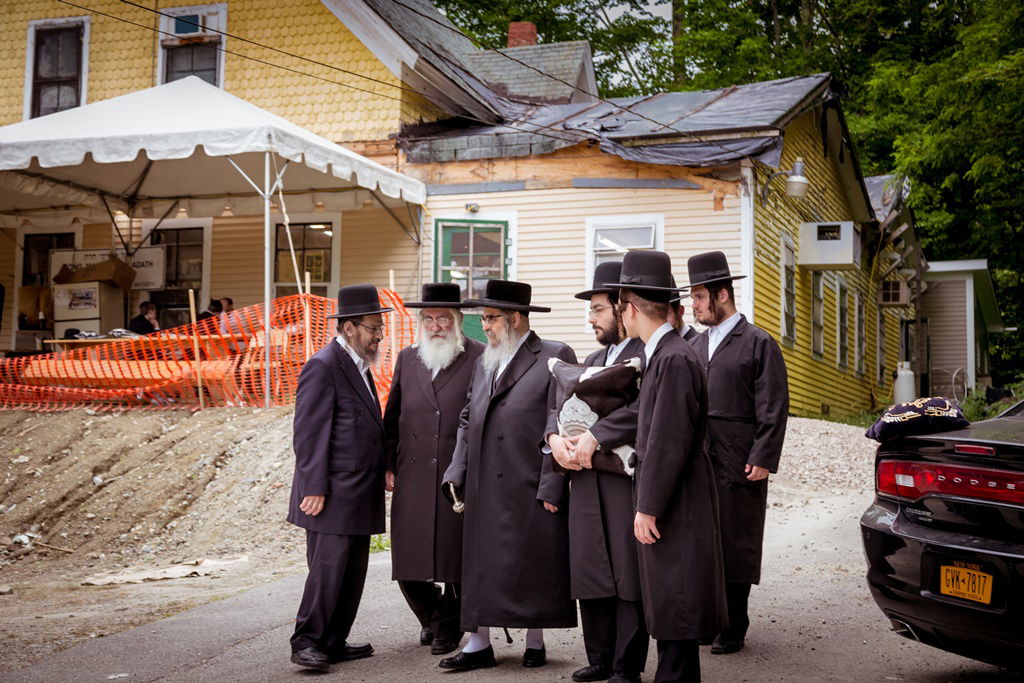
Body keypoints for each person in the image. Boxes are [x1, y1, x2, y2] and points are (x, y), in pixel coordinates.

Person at [440, 279, 577, 672]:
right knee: (482, 564)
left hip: (529, 478)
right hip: (485, 481)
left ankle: (536, 640)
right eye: (482, 318)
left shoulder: (554, 354)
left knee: (532, 561)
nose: (483, 326)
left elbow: (564, 419)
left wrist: (553, 482)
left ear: (516, 319)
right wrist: (457, 468)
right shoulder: (488, 359)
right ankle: (478, 643)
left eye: (490, 318)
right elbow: (469, 416)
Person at [609, 250, 727, 683]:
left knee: (676, 595)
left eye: (621, 306)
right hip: (675, 493)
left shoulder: (673, 358)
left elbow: (667, 440)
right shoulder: (665, 353)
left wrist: (648, 505)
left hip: (677, 498)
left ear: (633, 308)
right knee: (670, 596)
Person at [547, 261, 649, 683]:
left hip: (621, 477)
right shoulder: (589, 359)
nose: (591, 318)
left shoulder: (645, 355)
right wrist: (554, 440)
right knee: (591, 566)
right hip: (583, 477)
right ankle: (600, 656)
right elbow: (558, 409)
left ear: (623, 308)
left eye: (598, 309)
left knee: (626, 571)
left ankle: (627, 664)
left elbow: (643, 411)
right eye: (590, 310)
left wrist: (598, 434)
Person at [686, 251, 789, 656]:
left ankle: (733, 625)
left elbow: (773, 406)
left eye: (698, 297)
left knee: (735, 539)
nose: (693, 305)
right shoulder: (690, 344)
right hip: (697, 455)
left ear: (722, 295)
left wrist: (763, 455)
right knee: (699, 539)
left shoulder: (758, 343)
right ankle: (707, 620)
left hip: (739, 456)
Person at [286, 283, 393, 671]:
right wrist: (313, 486)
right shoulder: (324, 365)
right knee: (328, 571)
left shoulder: (359, 366)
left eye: (379, 326)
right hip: (330, 493)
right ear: (348, 328)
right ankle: (307, 641)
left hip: (360, 490)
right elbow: (309, 432)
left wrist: (383, 466)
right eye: (371, 327)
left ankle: (333, 640)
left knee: (352, 572)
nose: (378, 334)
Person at [383, 283, 485, 656]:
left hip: (455, 475)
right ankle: (432, 615)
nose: (436, 325)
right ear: (420, 322)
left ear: (458, 321)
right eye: (429, 318)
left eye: (444, 318)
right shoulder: (408, 358)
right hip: (411, 472)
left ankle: (447, 625)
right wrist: (387, 463)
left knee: (453, 558)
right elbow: (392, 415)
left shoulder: (479, 357)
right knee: (407, 562)